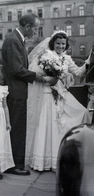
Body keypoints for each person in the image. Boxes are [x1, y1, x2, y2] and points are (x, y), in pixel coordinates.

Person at [26, 30, 92, 172]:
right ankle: (45, 160)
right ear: (53, 44)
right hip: (47, 93)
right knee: (49, 123)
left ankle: (62, 156)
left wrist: (89, 60)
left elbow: (79, 72)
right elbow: (36, 73)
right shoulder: (46, 56)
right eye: (58, 44)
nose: (60, 46)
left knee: (82, 112)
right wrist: (47, 78)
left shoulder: (67, 59)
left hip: (61, 92)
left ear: (66, 45)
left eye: (63, 44)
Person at [2, 13, 45, 176]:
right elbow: (17, 69)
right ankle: (15, 165)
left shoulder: (15, 39)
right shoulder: (13, 40)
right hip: (15, 92)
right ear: (27, 27)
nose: (36, 32)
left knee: (17, 128)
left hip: (17, 90)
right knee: (17, 129)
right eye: (35, 28)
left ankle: (15, 162)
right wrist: (38, 77)